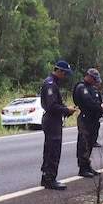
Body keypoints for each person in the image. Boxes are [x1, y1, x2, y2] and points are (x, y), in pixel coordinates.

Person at [39, 60, 77, 190]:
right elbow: (52, 105)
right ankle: (50, 178)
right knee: (53, 149)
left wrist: (66, 109)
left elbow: (56, 104)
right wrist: (66, 111)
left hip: (53, 119)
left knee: (51, 148)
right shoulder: (50, 84)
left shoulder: (54, 83)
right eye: (65, 74)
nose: (66, 77)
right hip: (51, 119)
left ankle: (47, 177)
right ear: (59, 71)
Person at [72, 68, 103, 177]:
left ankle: (87, 165)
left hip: (93, 118)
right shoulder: (82, 87)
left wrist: (101, 108)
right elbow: (89, 102)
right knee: (84, 143)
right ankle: (82, 167)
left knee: (91, 142)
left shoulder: (91, 87)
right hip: (86, 118)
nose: (95, 81)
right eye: (94, 79)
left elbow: (96, 101)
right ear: (89, 76)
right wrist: (99, 108)